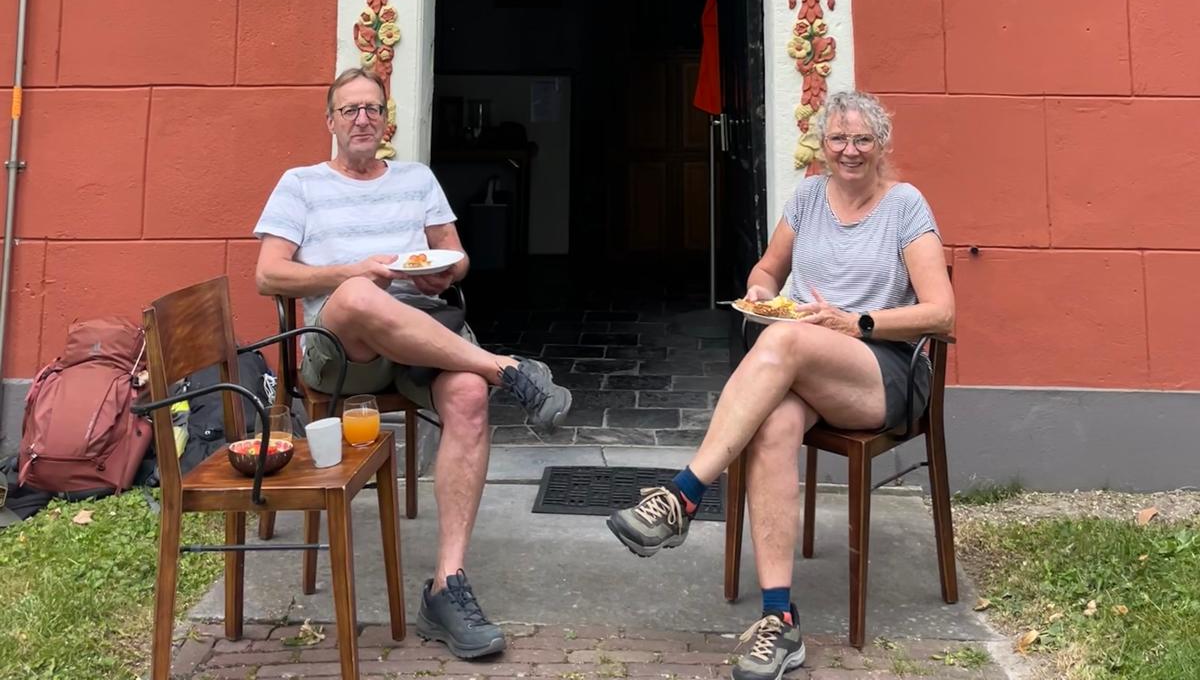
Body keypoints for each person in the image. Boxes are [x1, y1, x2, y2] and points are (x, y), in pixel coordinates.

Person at [605, 90, 954, 680]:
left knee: (782, 342)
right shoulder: (808, 198)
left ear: (881, 146)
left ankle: (684, 492)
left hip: (884, 369)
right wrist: (763, 292)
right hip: (811, 365)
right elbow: (768, 269)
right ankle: (778, 620)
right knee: (772, 426)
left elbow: (942, 314)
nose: (849, 150)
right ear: (821, 145)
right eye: (838, 139)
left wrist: (858, 322)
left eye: (862, 139)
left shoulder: (904, 205)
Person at [254, 67, 573, 660]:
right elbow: (268, 274)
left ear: (387, 121)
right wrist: (353, 270)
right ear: (330, 122)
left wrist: (443, 271)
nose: (362, 119)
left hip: (420, 338)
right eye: (349, 110)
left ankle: (446, 586)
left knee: (470, 398)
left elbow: (457, 256)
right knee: (357, 295)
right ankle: (507, 368)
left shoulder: (416, 178)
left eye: (372, 109)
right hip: (342, 353)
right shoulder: (299, 184)